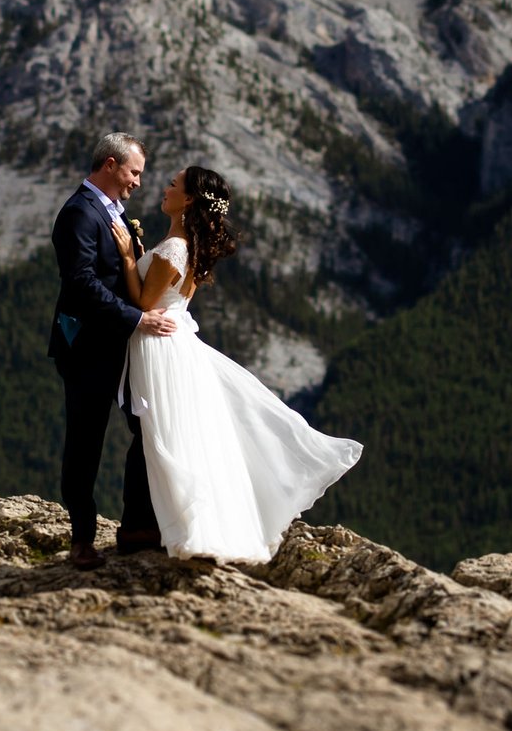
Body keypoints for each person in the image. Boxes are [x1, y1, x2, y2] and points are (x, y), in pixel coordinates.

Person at [120, 163, 361, 563]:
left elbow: (144, 304)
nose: (164, 188)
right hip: (173, 340)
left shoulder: (176, 247)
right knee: (164, 433)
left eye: (173, 185)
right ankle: (157, 523)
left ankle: (151, 526)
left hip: (158, 346)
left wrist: (129, 259)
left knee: (156, 434)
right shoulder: (184, 246)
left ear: (190, 199)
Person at [47, 132, 180, 569]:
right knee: (86, 442)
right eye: (134, 172)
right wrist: (138, 319)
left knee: (147, 431)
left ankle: (139, 524)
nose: (138, 182)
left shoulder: (115, 215)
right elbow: (81, 284)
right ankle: (82, 538)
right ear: (109, 164)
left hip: (125, 350)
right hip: (88, 348)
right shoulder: (78, 214)